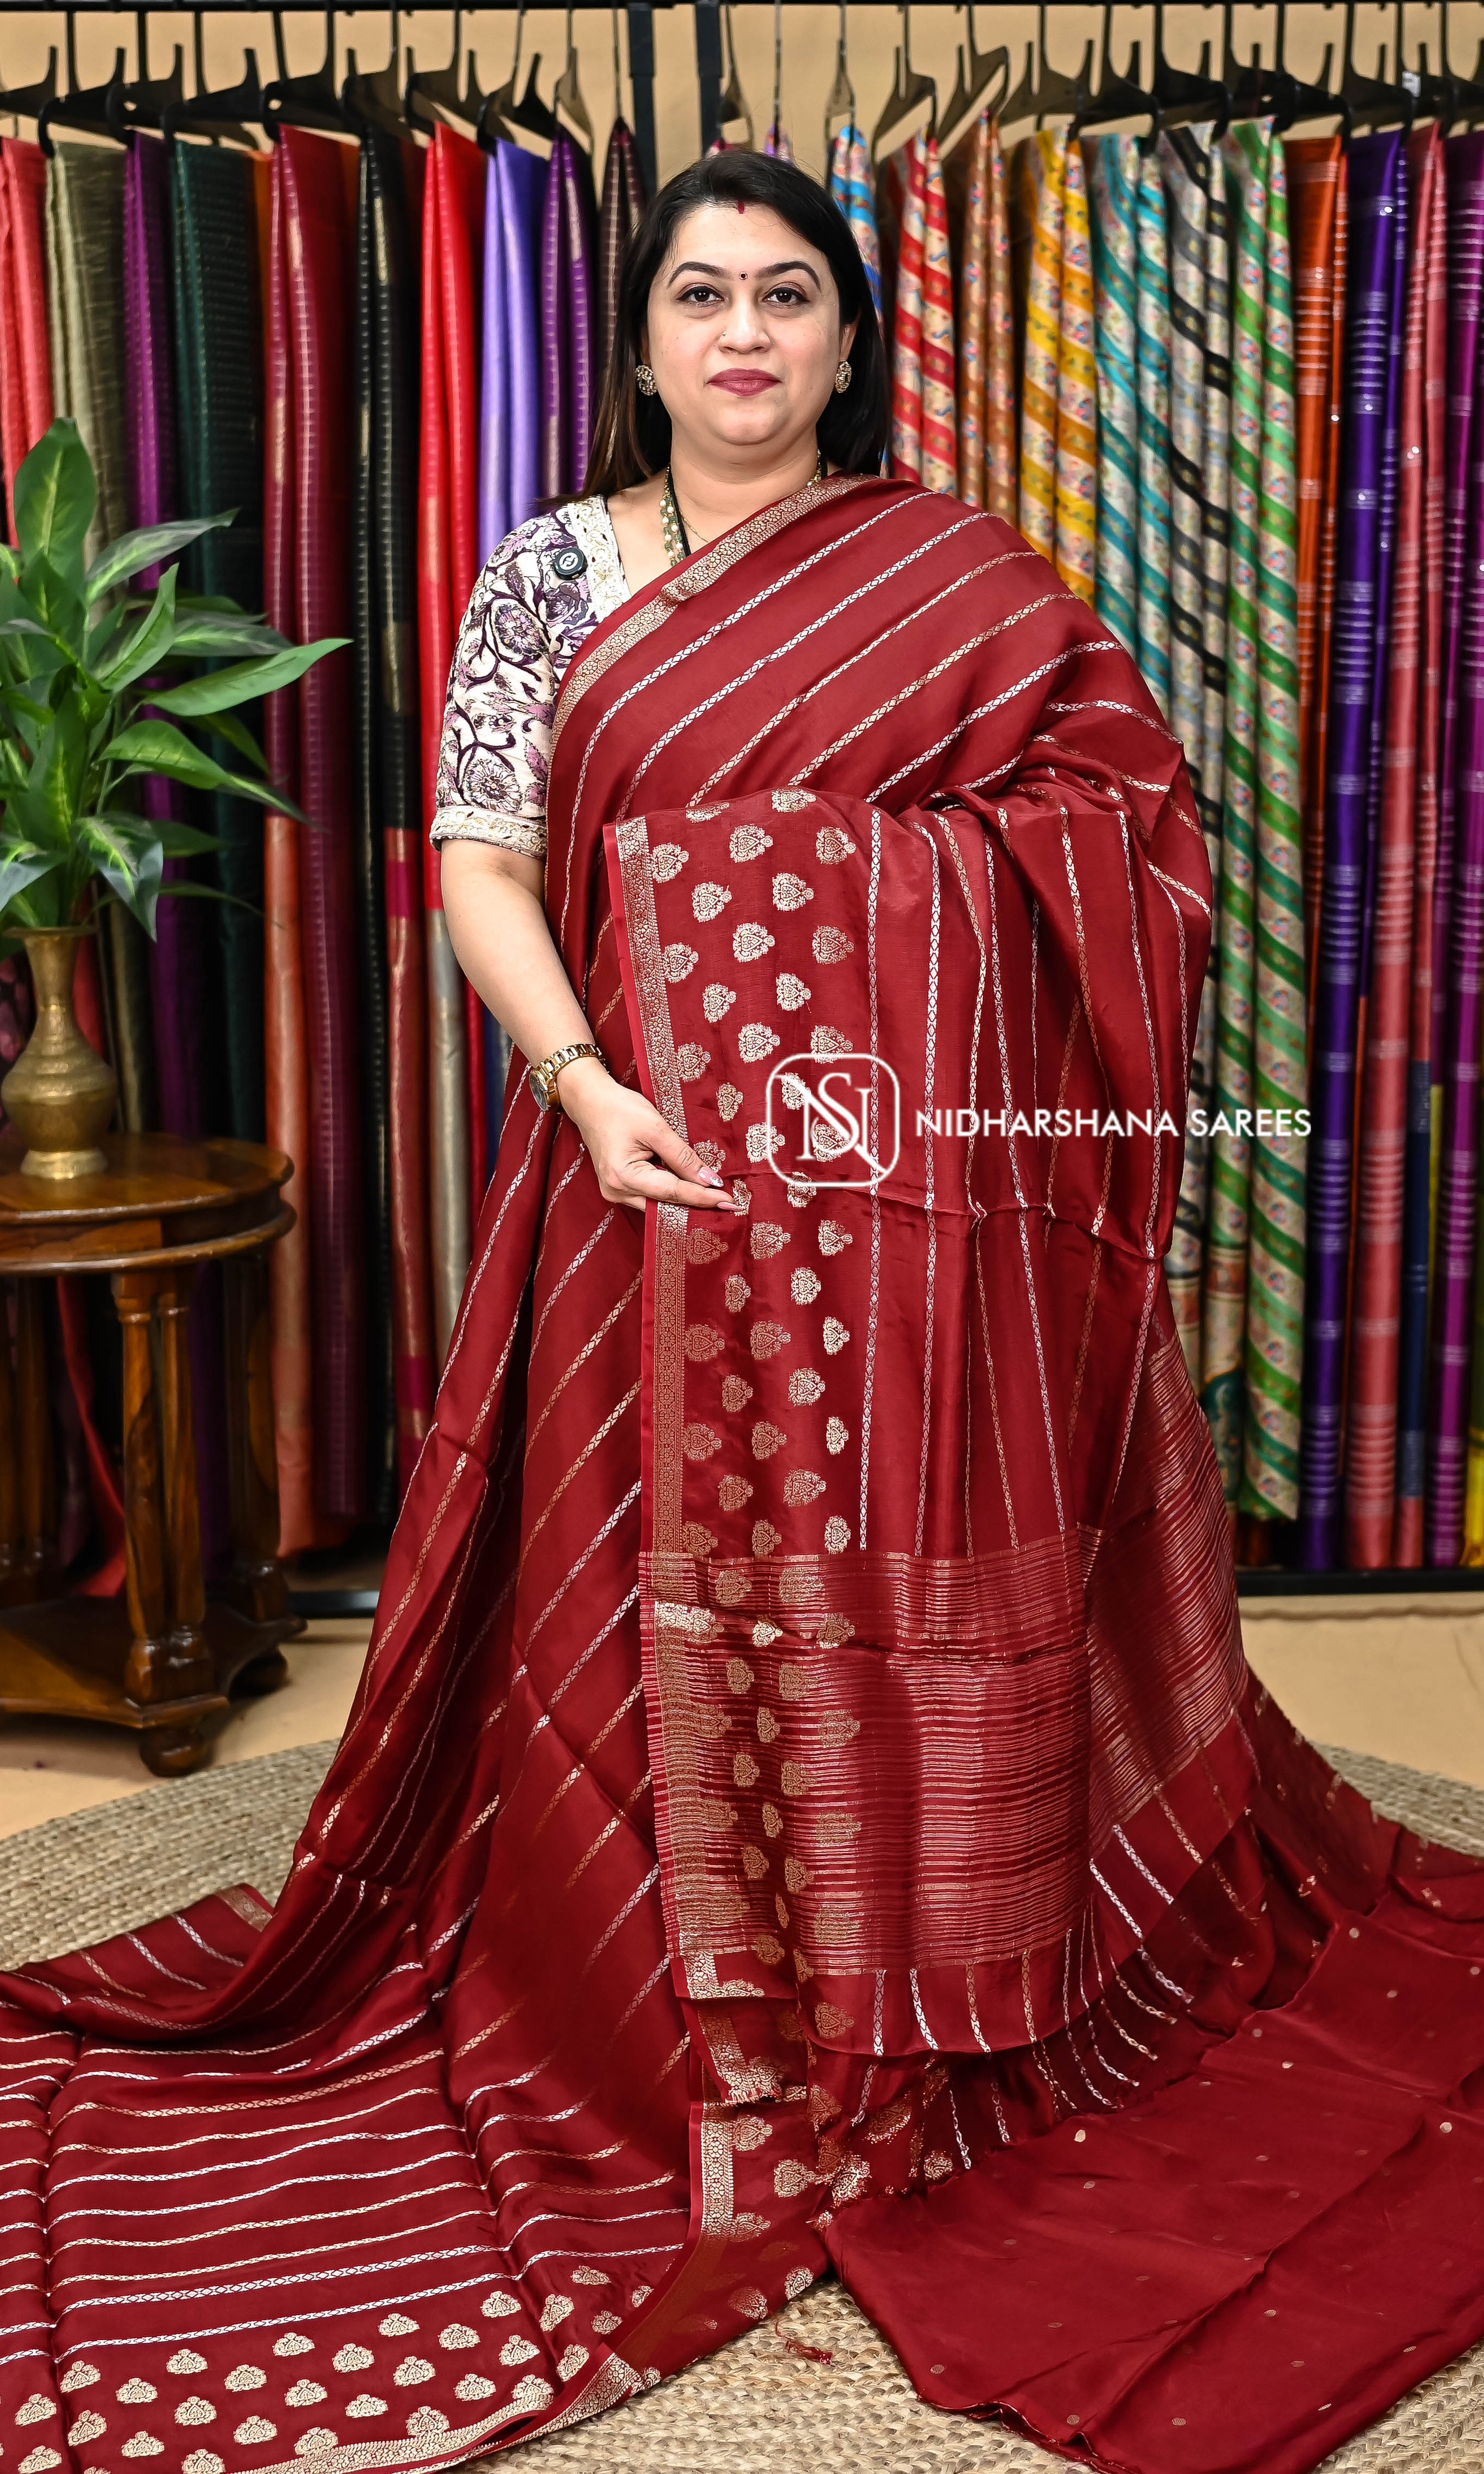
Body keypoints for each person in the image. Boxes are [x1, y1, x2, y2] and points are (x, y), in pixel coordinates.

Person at [2, 148, 1481, 2474]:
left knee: (885, 1567)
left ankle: (925, 1943)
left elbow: (1130, 832)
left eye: (788, 295)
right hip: (642, 1182)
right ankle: (664, 1992)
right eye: (701, 295)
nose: (744, 338)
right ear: (641, 335)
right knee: (624, 1602)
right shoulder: (550, 576)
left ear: (847, 334)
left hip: (915, 1222)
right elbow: (481, 855)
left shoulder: (952, 576)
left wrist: (850, 898)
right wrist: (587, 1083)